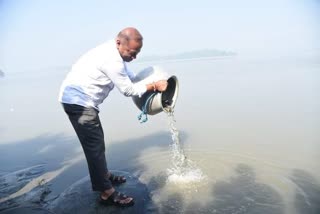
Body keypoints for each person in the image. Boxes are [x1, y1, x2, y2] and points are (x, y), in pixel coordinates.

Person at [58, 27, 168, 207]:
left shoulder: (116, 52)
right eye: (132, 53)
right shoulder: (111, 59)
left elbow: (131, 79)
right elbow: (128, 90)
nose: (134, 57)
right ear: (119, 42)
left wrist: (153, 84)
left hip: (82, 101)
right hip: (78, 102)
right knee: (94, 146)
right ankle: (106, 193)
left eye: (137, 53)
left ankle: (104, 175)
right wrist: (154, 85)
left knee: (97, 142)